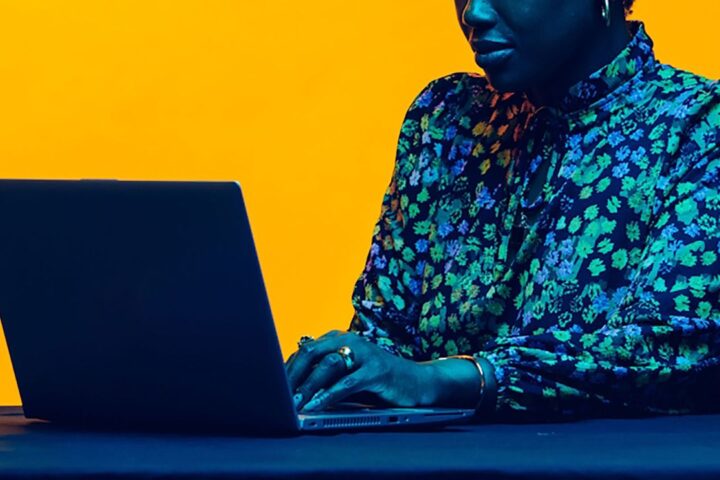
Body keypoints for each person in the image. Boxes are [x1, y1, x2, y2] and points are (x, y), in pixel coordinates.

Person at [284, 0, 720, 421]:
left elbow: (671, 348)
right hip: (420, 459)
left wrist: (446, 379)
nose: (473, 11)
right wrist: (339, 368)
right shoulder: (448, 118)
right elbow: (385, 334)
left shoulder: (700, 127)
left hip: (608, 461)